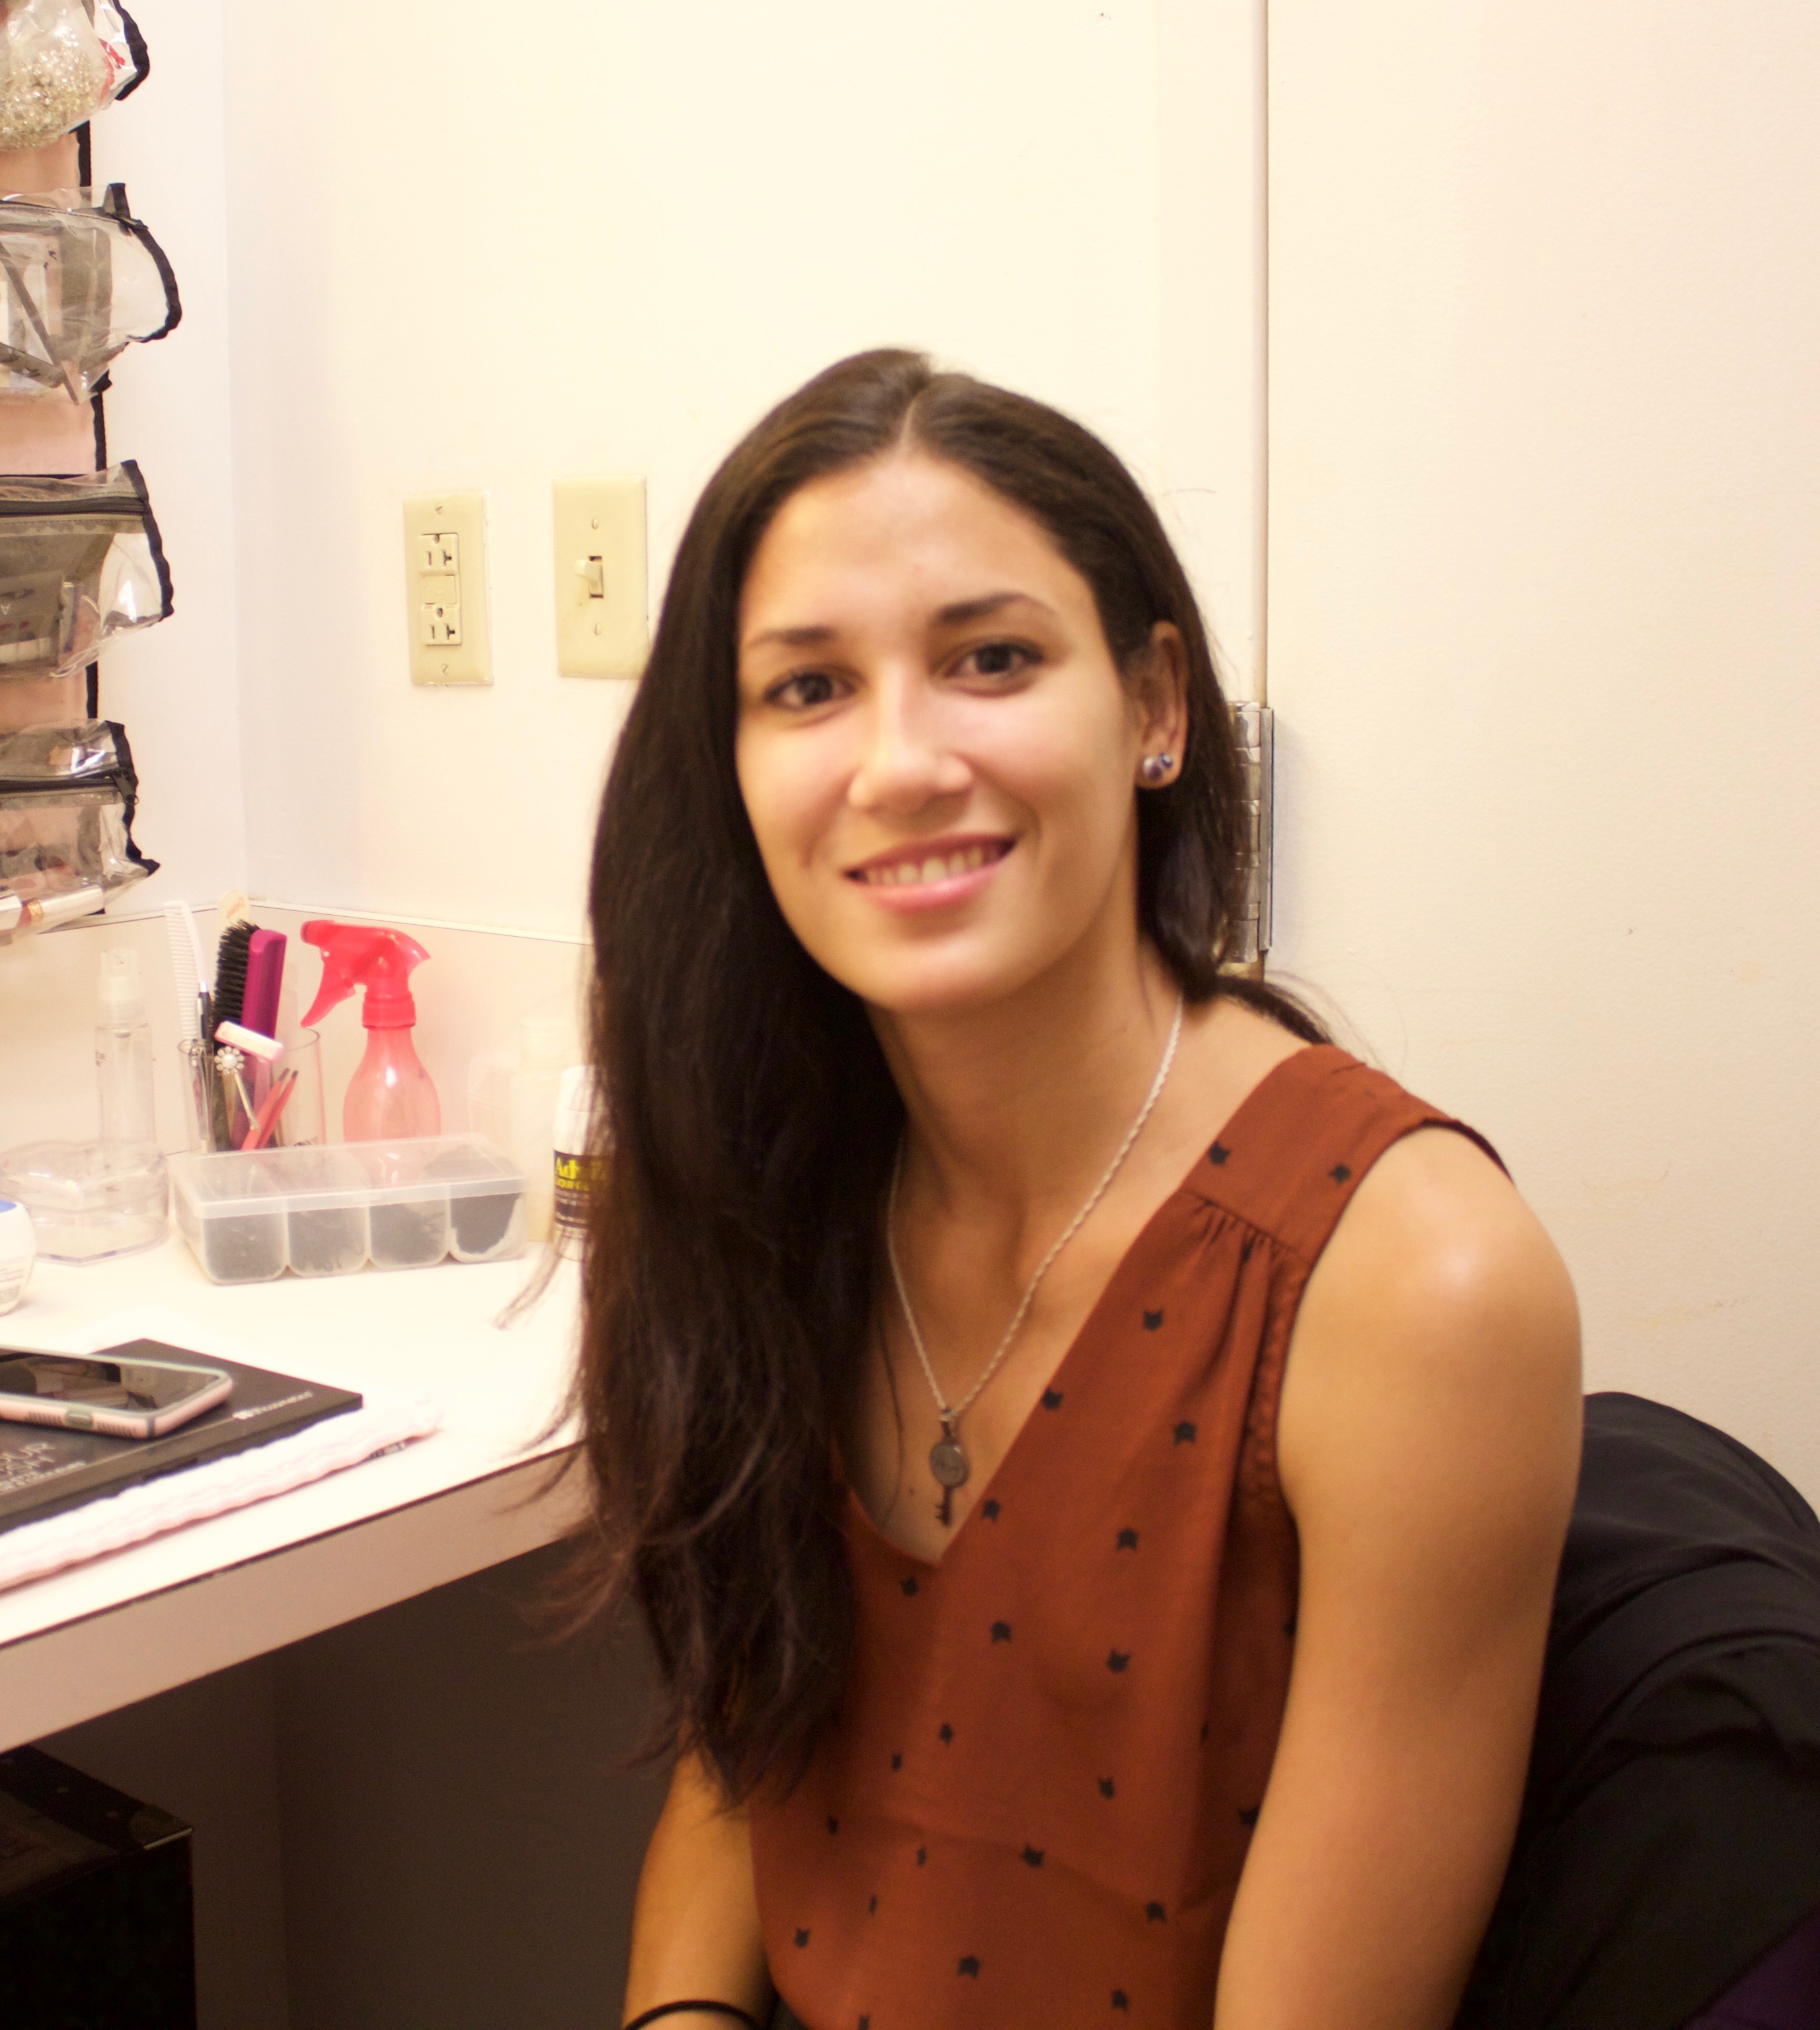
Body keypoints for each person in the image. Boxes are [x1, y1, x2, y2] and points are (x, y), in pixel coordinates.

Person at [582, 351, 1585, 2030]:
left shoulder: (1411, 1280)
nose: (897, 761)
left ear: (1155, 708)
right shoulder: (782, 1189)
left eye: (989, 658)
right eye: (807, 688)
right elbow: (737, 1760)